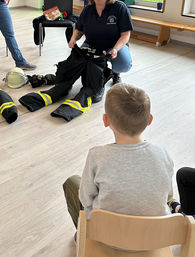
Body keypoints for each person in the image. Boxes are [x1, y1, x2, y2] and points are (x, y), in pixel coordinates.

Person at [63, 83, 174, 230]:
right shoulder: (163, 153)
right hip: (153, 237)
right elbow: (168, 197)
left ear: (105, 120)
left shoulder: (96, 156)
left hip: (105, 236)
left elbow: (86, 199)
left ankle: (81, 235)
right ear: (150, 120)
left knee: (72, 182)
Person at [68, 0, 133, 85]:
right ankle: (99, 69)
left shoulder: (120, 7)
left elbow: (126, 34)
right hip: (92, 44)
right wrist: (73, 38)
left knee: (124, 64)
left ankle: (115, 73)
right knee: (79, 61)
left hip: (114, 45)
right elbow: (79, 29)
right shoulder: (87, 10)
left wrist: (116, 49)